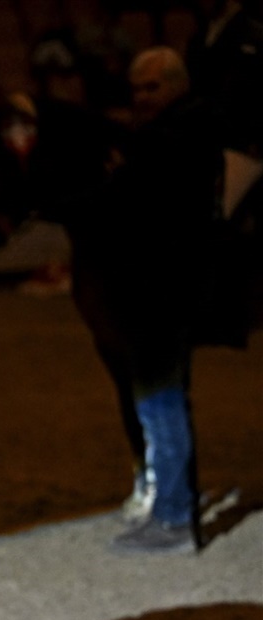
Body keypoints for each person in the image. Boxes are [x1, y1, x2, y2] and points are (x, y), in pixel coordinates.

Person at [105, 47, 225, 554]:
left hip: (165, 290)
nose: (141, 97)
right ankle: (171, 509)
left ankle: (174, 517)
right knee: (158, 402)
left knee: (161, 402)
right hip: (161, 288)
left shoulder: (179, 134)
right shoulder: (168, 133)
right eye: (136, 89)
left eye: (152, 87)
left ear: (178, 84)